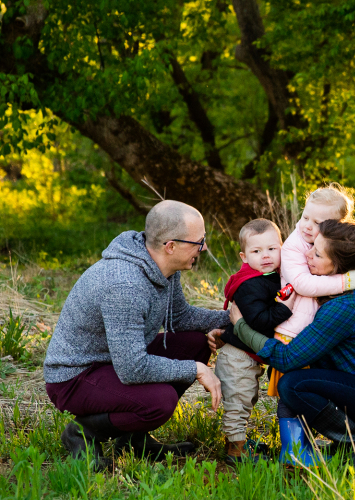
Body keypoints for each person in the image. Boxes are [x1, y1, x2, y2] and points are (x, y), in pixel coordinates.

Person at [44, 200, 228, 469]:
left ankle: (133, 439)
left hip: (115, 359)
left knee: (195, 343)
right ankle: (83, 433)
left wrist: (235, 318)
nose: (204, 248)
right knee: (160, 402)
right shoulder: (125, 285)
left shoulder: (164, 267)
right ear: (171, 246)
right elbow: (132, 368)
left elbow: (180, 318)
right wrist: (195, 369)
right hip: (76, 377)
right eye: (198, 242)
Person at [227, 219, 355, 467]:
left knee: (293, 384)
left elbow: (287, 358)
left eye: (317, 254)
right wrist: (222, 331)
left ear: (338, 268)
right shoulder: (327, 290)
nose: (307, 254)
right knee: (301, 375)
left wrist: (240, 327)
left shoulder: (346, 306)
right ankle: (303, 447)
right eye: (312, 247)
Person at [210, 184, 355, 466]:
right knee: (282, 388)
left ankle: (307, 443)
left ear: (337, 225)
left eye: (318, 221)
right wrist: (351, 279)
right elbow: (303, 284)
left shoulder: (334, 241)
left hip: (316, 329)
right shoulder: (294, 246)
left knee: (308, 386)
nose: (308, 226)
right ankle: (288, 448)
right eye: (305, 217)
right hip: (291, 331)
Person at [213, 218, 296, 464]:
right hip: (237, 357)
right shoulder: (249, 284)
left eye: (271, 248)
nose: (266, 255)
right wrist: (286, 308)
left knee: (247, 398)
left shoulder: (270, 275)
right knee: (238, 401)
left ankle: (238, 441)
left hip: (248, 355)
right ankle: (235, 451)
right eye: (256, 251)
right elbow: (259, 321)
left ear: (282, 248)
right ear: (244, 257)